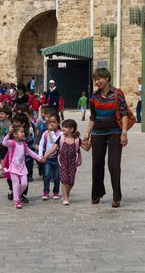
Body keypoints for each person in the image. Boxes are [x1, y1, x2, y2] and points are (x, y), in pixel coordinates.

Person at [83, 67, 128, 208]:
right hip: (97, 133)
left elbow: (124, 113)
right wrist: (86, 134)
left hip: (115, 132)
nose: (97, 81)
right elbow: (93, 117)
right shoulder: (94, 97)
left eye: (99, 78)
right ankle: (97, 193)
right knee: (97, 164)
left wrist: (124, 133)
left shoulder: (117, 93)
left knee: (113, 164)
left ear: (107, 78)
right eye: (95, 79)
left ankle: (116, 196)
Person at [42, 119, 90, 205]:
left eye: (65, 127)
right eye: (63, 127)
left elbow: (86, 148)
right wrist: (45, 156)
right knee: (64, 180)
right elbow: (53, 148)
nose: (63, 129)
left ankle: (66, 195)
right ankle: (66, 198)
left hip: (73, 163)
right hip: (62, 162)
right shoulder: (61, 138)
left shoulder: (77, 140)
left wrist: (89, 143)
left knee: (71, 181)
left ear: (71, 129)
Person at [1, 123, 44, 209]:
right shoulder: (11, 143)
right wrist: (9, 133)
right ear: (15, 134)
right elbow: (4, 142)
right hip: (13, 168)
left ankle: (17, 194)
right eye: (21, 132)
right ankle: (17, 201)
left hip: (23, 168)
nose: (23, 133)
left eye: (23, 132)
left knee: (24, 184)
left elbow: (31, 152)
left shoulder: (24, 144)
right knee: (16, 184)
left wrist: (39, 158)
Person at [38, 113, 62, 201]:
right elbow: (41, 144)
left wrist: (51, 132)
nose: (51, 124)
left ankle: (56, 192)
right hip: (47, 158)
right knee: (47, 175)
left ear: (58, 123)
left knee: (57, 177)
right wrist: (40, 155)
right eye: (50, 122)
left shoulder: (61, 134)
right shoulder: (45, 133)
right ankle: (46, 192)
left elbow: (57, 141)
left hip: (58, 159)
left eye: (54, 122)